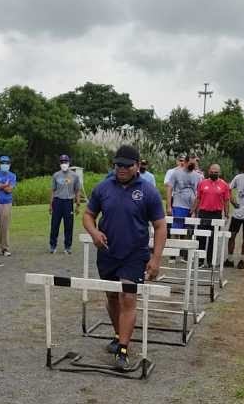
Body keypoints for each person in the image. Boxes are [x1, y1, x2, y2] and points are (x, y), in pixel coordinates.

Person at [83, 145, 166, 371]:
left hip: (135, 254)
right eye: (118, 164)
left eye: (126, 165)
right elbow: (89, 215)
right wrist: (94, 233)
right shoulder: (103, 187)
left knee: (127, 298)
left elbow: (160, 226)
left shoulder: (148, 191)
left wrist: (156, 259)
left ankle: (123, 349)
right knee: (111, 296)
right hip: (108, 253)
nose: (121, 169)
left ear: (137, 166)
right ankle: (119, 334)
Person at [190, 163, 230, 267]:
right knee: (201, 237)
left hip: (216, 214)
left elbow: (226, 200)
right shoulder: (202, 183)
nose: (213, 173)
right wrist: (193, 211)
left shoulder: (224, 185)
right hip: (203, 213)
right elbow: (198, 198)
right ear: (209, 172)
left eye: (215, 172)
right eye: (212, 172)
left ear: (219, 173)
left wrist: (226, 214)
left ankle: (210, 261)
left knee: (213, 238)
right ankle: (200, 260)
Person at [49, 155, 82, 254]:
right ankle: (52, 245)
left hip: (68, 202)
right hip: (57, 201)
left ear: (69, 162)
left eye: (65, 162)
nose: (64, 164)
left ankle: (68, 247)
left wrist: (78, 204)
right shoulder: (56, 175)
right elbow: (52, 190)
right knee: (55, 225)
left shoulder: (74, 176)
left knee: (69, 225)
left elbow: (77, 190)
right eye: (62, 162)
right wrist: (50, 205)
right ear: (59, 163)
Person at [166, 155, 202, 230]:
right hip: (179, 206)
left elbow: (199, 194)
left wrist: (195, 208)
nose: (192, 166)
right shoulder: (176, 173)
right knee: (177, 229)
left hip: (192, 207)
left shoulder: (198, 176)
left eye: (194, 164)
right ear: (185, 162)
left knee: (189, 231)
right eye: (191, 164)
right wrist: (169, 206)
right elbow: (169, 189)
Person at [0, 155, 17, 257]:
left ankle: (5, 248)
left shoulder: (12, 176)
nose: (5, 165)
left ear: (9, 164)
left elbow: (9, 190)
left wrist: (0, 185)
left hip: (6, 203)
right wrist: (5, 185)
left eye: (6, 163)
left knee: (4, 227)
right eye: (3, 163)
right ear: (0, 164)